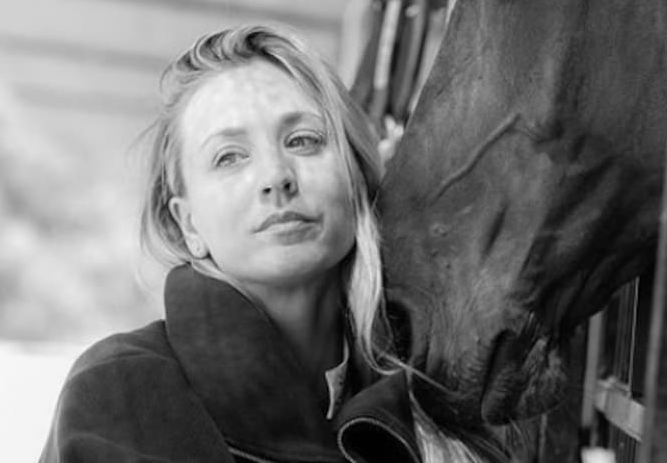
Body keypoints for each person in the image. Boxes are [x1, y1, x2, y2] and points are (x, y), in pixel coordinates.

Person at [39, 24, 499, 463]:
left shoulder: (436, 397)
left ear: (356, 178)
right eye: (229, 157)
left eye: (303, 140)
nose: (276, 177)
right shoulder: (121, 389)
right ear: (189, 224)